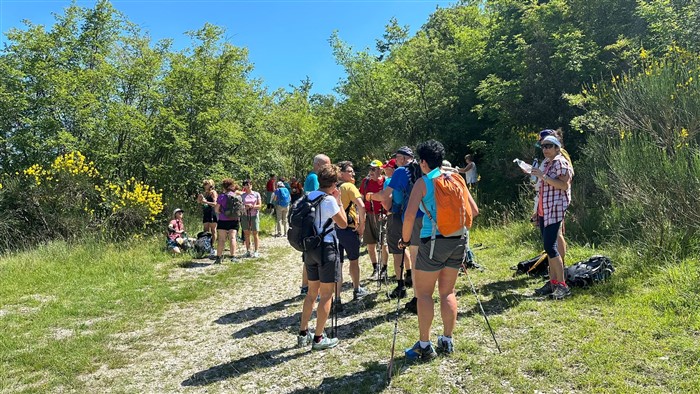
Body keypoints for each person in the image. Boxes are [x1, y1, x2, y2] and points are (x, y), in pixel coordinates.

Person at [400, 139, 479, 360]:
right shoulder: (457, 178)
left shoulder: (423, 183)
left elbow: (408, 216)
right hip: (458, 240)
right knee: (448, 292)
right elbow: (474, 211)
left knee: (424, 294)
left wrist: (405, 240)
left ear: (423, 162)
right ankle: (447, 339)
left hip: (432, 241)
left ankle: (424, 345)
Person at [297, 164, 348, 350]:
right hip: (326, 249)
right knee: (327, 295)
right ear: (334, 183)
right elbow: (342, 224)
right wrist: (340, 201)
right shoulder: (329, 201)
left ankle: (303, 332)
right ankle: (319, 338)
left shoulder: (308, 197)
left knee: (312, 293)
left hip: (310, 249)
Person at [368, 147, 423, 314]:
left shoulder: (401, 171)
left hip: (411, 216)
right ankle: (424, 296)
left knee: (414, 257)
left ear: (403, 158)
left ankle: (417, 299)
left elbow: (386, 196)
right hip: (431, 217)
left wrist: (370, 196)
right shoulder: (424, 168)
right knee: (425, 258)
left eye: (398, 158)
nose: (396, 161)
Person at [530, 135, 574, 299]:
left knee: (550, 247)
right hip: (544, 210)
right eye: (543, 146)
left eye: (549, 146)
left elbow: (564, 185)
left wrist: (544, 177)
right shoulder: (548, 164)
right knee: (549, 247)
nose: (545, 149)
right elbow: (542, 189)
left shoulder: (561, 163)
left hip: (554, 210)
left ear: (557, 147)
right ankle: (553, 282)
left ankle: (562, 285)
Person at [335, 161, 369, 308]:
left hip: (335, 230)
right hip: (349, 230)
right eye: (350, 171)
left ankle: (336, 298)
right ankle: (356, 289)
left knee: (338, 264)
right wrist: (362, 226)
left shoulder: (333, 188)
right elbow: (362, 207)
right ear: (341, 174)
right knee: (353, 261)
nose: (353, 173)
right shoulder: (349, 186)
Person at [300, 154, 331, 295]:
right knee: (312, 254)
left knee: (309, 254)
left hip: (310, 221)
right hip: (313, 222)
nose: (328, 168)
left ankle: (306, 286)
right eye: (326, 165)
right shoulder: (313, 178)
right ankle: (308, 286)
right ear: (318, 165)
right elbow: (314, 198)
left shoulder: (311, 177)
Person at [359, 159, 388, 280]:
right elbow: (361, 199)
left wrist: (387, 213)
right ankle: (375, 268)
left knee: (383, 244)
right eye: (370, 169)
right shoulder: (365, 182)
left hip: (383, 216)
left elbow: (390, 198)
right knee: (370, 244)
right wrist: (361, 216)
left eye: (374, 169)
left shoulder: (386, 182)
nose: (371, 172)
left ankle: (384, 269)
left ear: (381, 170)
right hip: (369, 215)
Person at [214, 179, 241, 264]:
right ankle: (233, 256)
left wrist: (221, 212)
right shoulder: (236, 196)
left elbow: (216, 209)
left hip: (223, 220)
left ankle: (218, 258)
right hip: (234, 219)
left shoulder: (221, 196)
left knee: (221, 239)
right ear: (231, 186)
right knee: (232, 238)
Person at [241, 180, 262, 258]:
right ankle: (248, 251)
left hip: (254, 215)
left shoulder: (256, 194)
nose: (248, 185)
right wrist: (245, 207)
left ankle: (256, 251)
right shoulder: (242, 196)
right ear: (244, 186)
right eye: (246, 184)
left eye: (249, 184)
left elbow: (260, 206)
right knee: (246, 233)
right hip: (245, 215)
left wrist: (252, 206)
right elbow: (240, 207)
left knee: (255, 233)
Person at [197, 179, 218, 246]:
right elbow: (199, 202)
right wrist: (199, 199)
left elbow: (215, 203)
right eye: (204, 184)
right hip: (206, 212)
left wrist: (206, 202)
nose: (205, 185)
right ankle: (206, 244)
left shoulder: (213, 192)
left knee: (213, 230)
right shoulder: (204, 193)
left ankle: (212, 245)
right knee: (205, 230)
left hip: (212, 212)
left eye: (207, 184)